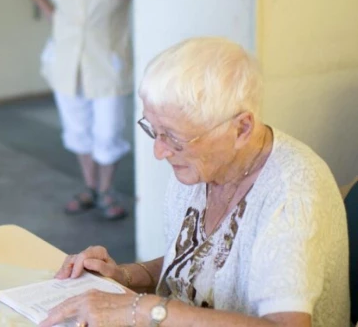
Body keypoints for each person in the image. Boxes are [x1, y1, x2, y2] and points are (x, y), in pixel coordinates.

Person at [39, 38, 350, 327]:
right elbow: (199, 265)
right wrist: (122, 275)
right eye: (154, 130)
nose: (159, 151)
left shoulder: (292, 192)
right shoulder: (203, 166)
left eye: (173, 136)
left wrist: (146, 309)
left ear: (242, 128)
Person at [22, 0, 133, 219]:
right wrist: (49, 12)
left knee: (108, 129)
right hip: (65, 59)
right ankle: (90, 188)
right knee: (77, 128)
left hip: (106, 58)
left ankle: (106, 191)